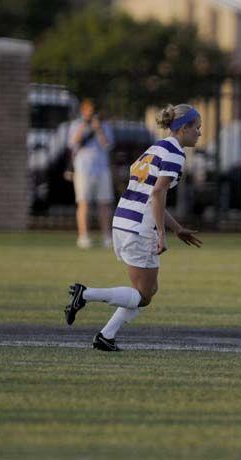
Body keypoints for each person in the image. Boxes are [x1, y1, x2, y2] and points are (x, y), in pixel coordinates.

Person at [64, 104, 203, 351]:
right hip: (139, 227)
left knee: (148, 291)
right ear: (183, 129)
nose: (200, 133)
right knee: (143, 296)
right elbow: (158, 193)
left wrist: (176, 228)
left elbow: (150, 195)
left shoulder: (156, 148)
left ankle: (106, 336)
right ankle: (84, 295)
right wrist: (161, 233)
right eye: (197, 128)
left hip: (125, 221)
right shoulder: (175, 154)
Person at [67, 99, 115, 249]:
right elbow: (72, 143)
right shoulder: (76, 125)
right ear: (83, 111)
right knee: (83, 203)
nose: (91, 114)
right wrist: (84, 127)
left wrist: (98, 129)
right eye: (88, 111)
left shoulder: (105, 126)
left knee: (104, 203)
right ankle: (84, 236)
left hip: (101, 168)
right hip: (83, 168)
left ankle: (107, 237)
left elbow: (108, 145)